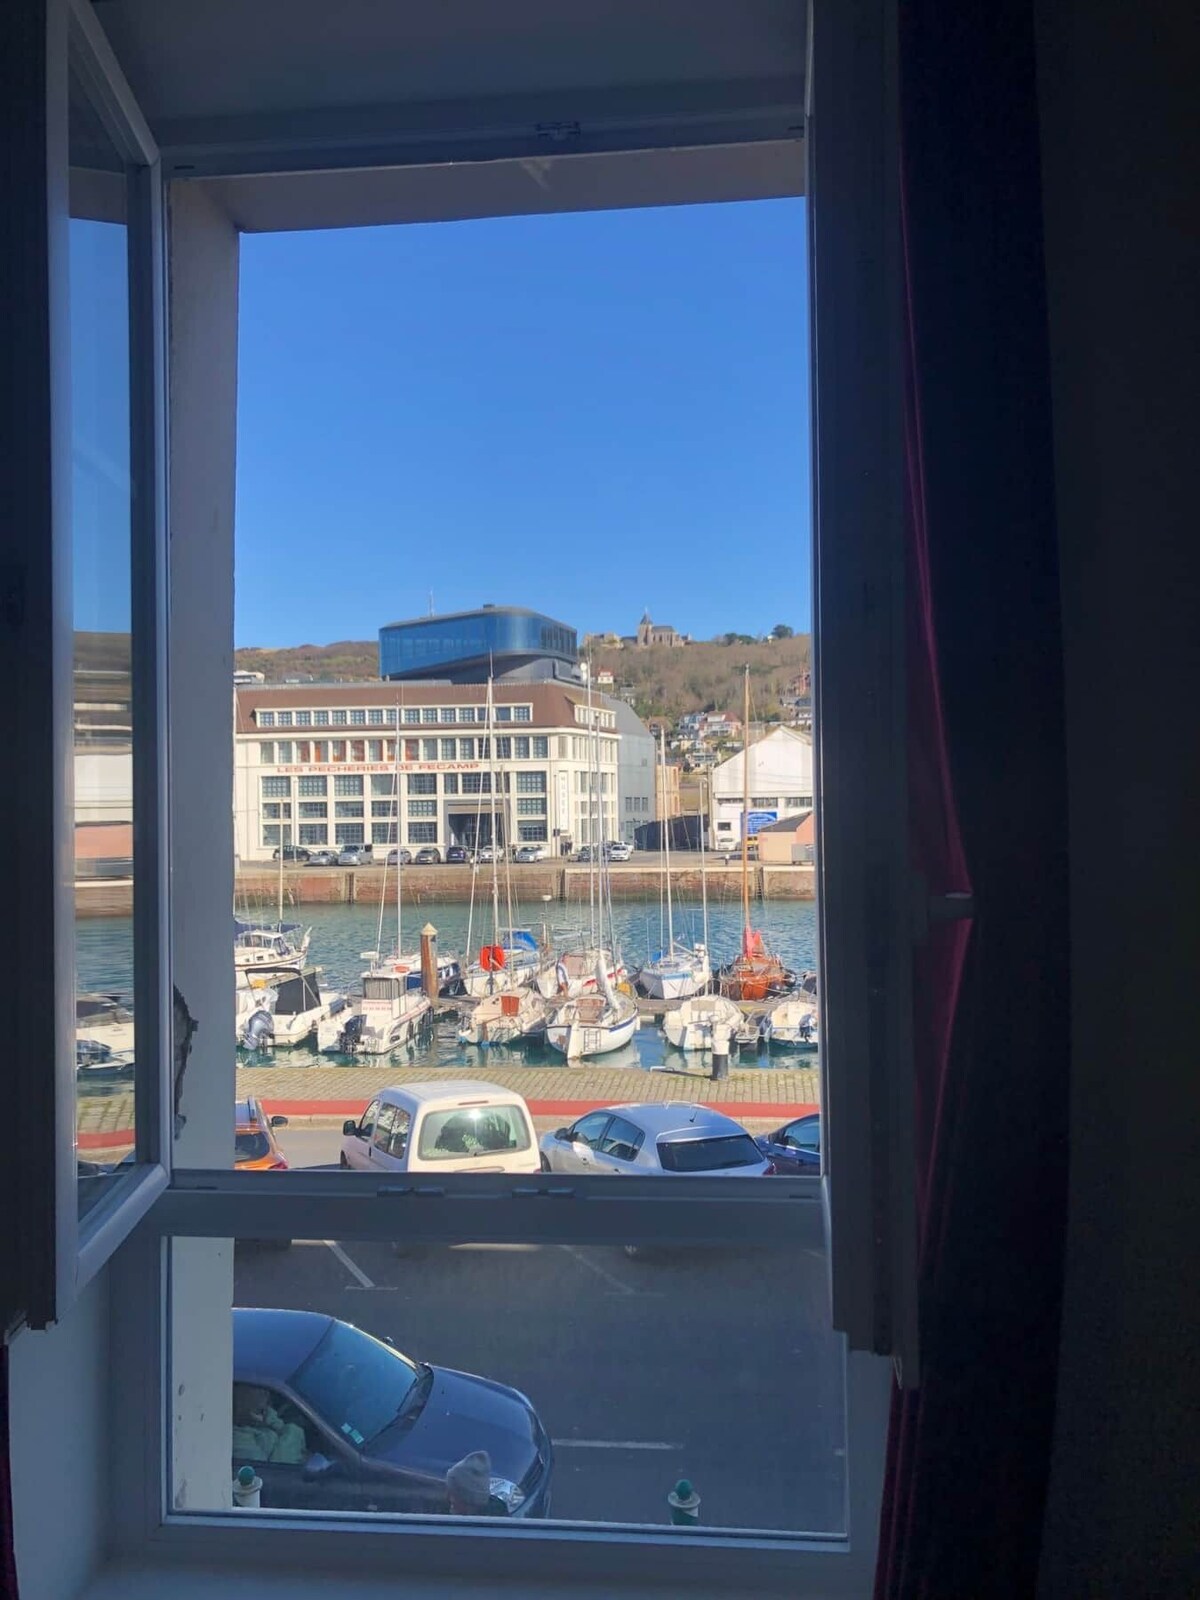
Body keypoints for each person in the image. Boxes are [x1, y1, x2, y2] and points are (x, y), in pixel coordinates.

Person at [445, 1450, 507, 1516]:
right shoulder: (444, 1515)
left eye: (454, 1494)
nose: (450, 1499)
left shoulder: (497, 1520)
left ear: (469, 1501)